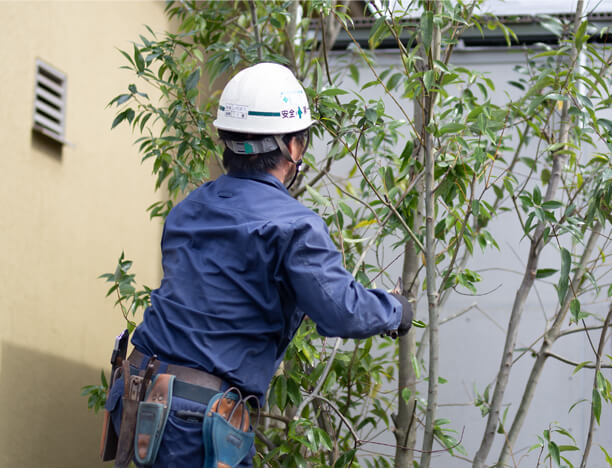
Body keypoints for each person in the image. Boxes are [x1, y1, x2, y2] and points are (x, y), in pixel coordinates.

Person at [103, 62, 413, 468]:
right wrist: (396, 310)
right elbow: (341, 312)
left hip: (137, 396)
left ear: (226, 141)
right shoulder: (292, 225)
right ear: (294, 147)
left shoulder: (189, 209)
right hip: (193, 421)